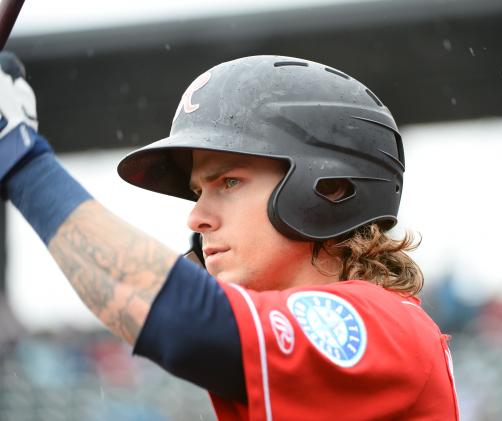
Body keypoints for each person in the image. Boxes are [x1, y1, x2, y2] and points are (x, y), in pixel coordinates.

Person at [1, 51, 459, 420]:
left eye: (229, 182)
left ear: (330, 187)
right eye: (200, 191)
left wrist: (21, 161)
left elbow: (186, 325)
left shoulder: (391, 325)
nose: (196, 218)